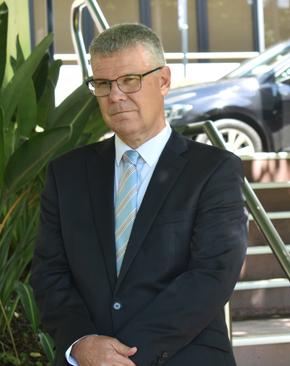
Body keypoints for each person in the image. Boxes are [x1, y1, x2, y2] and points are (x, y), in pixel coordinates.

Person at [30, 23, 247, 366]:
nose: (115, 95)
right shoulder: (66, 173)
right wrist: (83, 343)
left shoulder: (214, 171)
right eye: (103, 84)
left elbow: (212, 274)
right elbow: (49, 272)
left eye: (130, 80)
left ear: (163, 81)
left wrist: (122, 355)